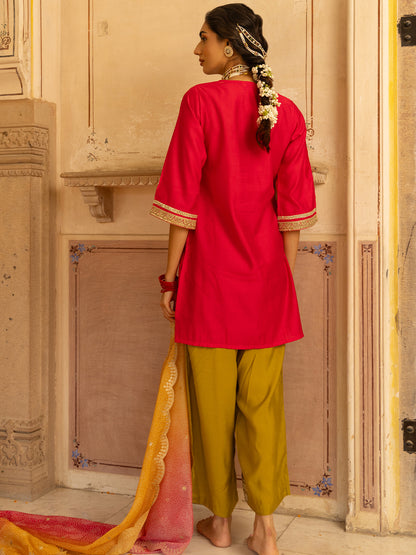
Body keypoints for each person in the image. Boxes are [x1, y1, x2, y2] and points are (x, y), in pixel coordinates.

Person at [150, 4, 317, 554]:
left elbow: (181, 200)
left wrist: (169, 280)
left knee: (213, 409)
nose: (197, 49)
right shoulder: (287, 112)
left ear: (229, 44)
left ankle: (220, 524)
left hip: (210, 283)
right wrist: (281, 281)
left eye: (203, 38)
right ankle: (265, 530)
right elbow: (294, 211)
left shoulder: (200, 102)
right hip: (267, 283)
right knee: (263, 409)